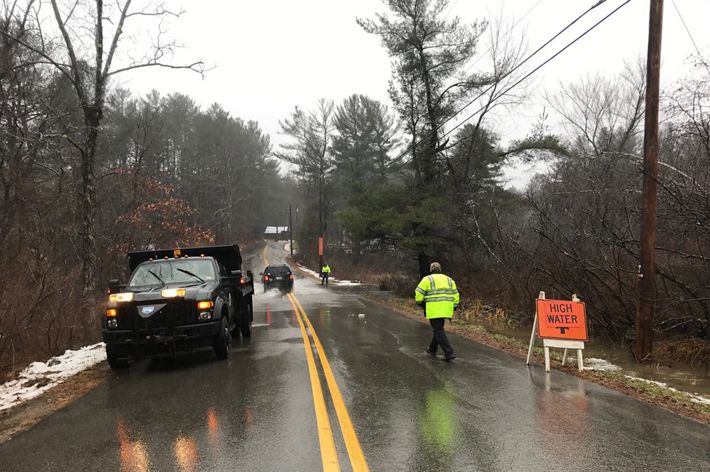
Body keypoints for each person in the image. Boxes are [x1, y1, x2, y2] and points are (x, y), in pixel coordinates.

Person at [415, 262, 459, 361]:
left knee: (438, 330)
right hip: (447, 309)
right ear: (440, 269)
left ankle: (449, 352)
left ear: (431, 269)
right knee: (438, 329)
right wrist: (454, 306)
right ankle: (432, 349)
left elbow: (419, 292)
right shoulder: (449, 279)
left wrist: (419, 302)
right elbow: (456, 294)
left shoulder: (427, 279)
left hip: (434, 309)